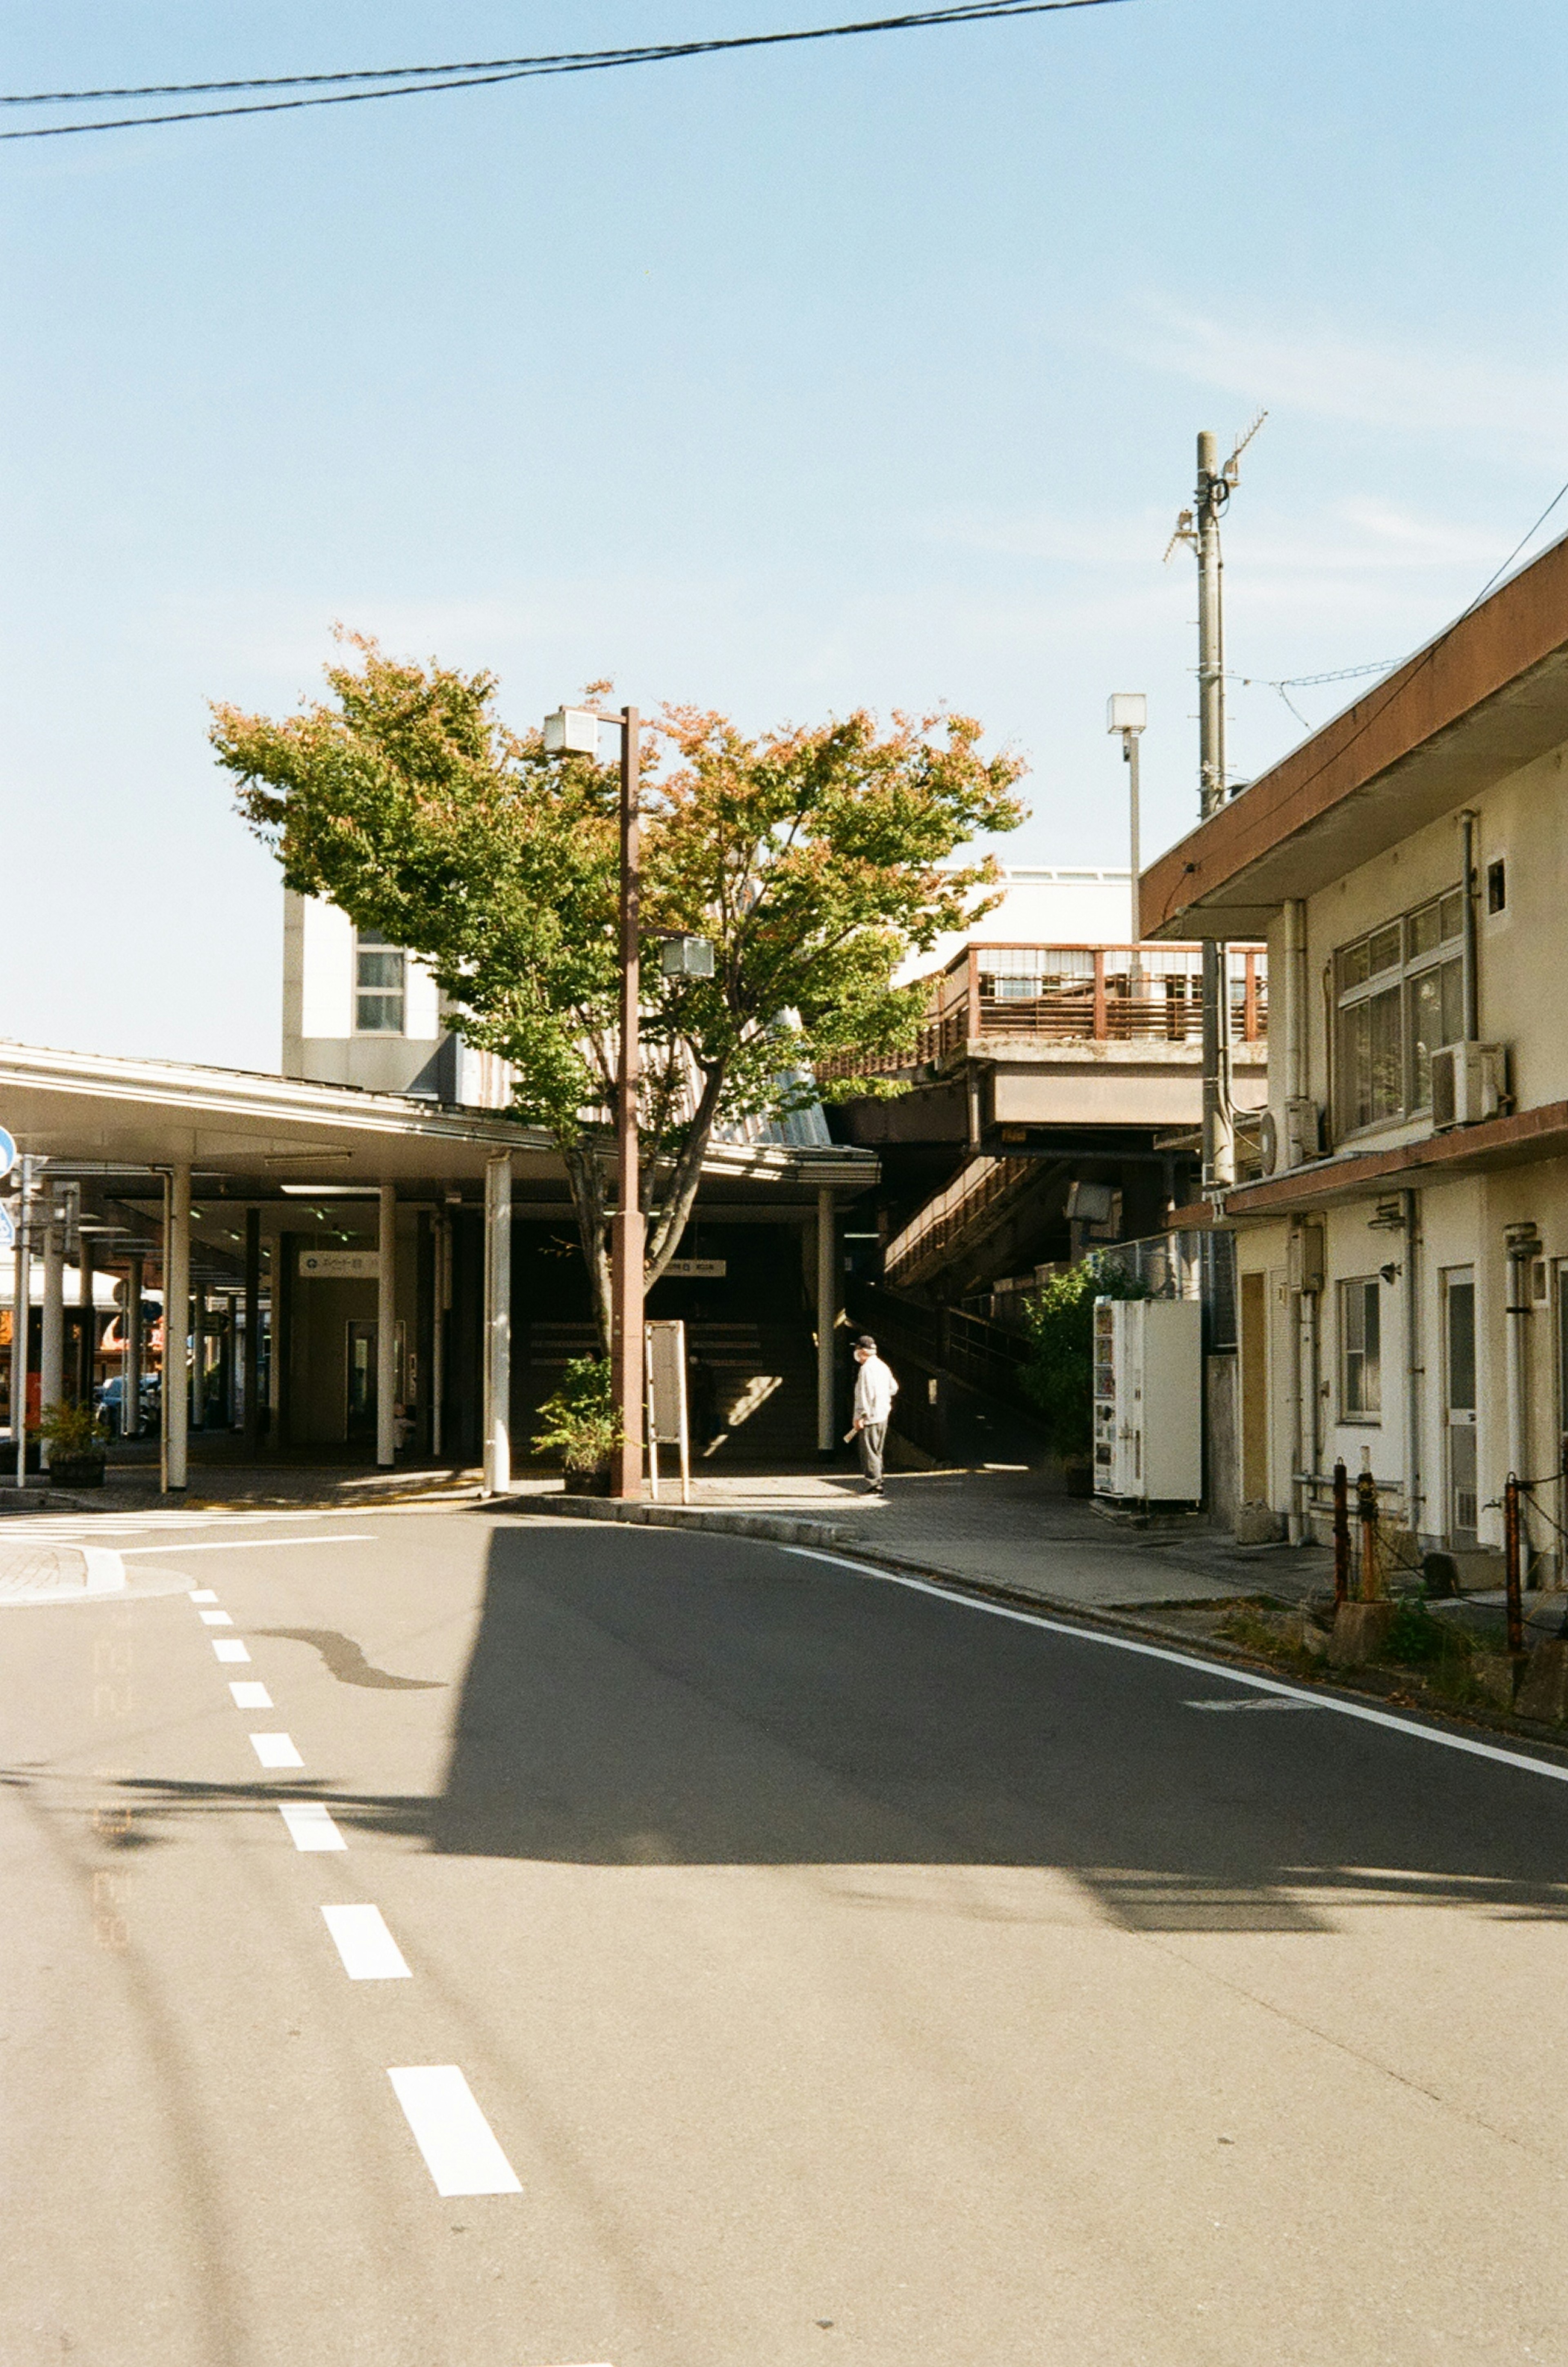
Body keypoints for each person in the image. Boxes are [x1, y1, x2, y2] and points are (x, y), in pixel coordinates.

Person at [849, 1334, 898, 1494]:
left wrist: (860, 1416)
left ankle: (875, 1485)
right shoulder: (883, 1366)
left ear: (862, 1351)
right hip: (883, 1413)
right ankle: (879, 1480)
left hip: (870, 1417)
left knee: (869, 1451)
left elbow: (865, 1394)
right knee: (877, 1450)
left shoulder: (867, 1369)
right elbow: (894, 1388)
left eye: (857, 1350)